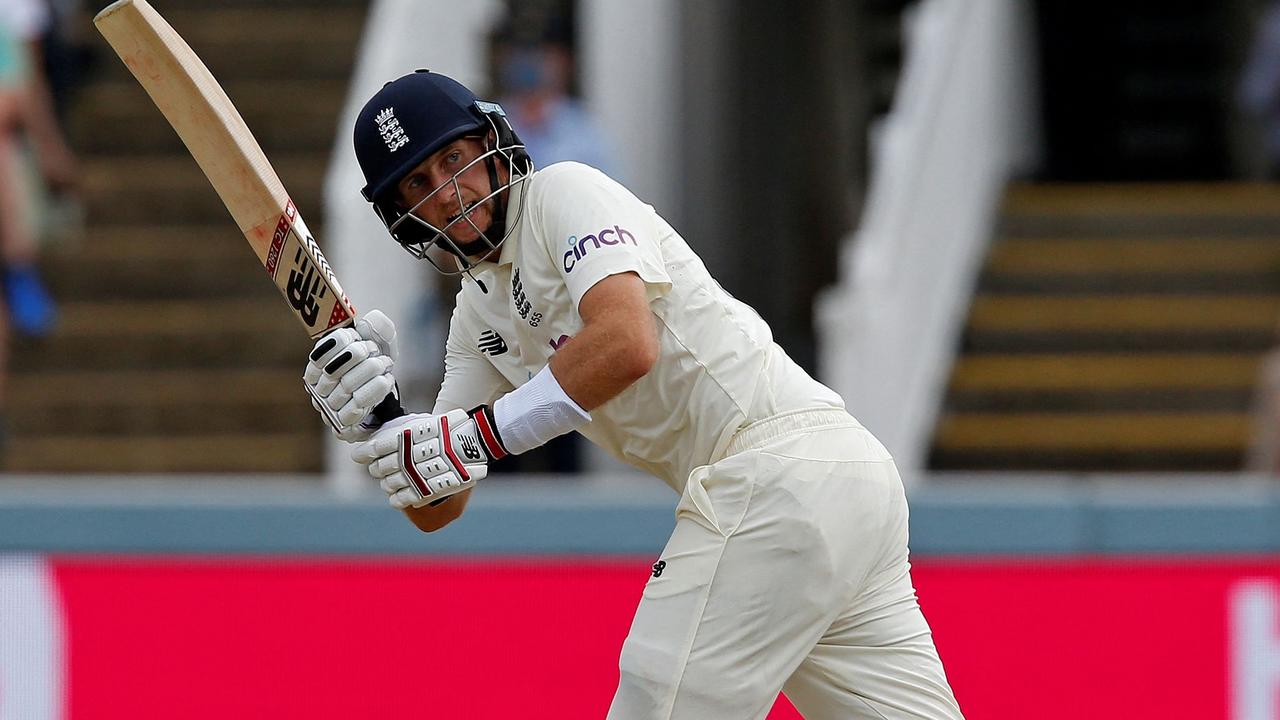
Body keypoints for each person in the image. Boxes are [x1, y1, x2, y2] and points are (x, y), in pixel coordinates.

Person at [304, 70, 964, 719]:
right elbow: (440, 502)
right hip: (831, 488)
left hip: (777, 470)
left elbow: (627, 344)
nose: (448, 192)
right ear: (401, 215)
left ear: (489, 142)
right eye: (419, 182)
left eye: (453, 158)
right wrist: (379, 421)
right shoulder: (476, 320)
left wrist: (476, 434)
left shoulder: (564, 194)